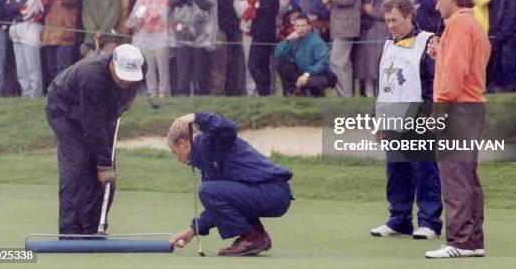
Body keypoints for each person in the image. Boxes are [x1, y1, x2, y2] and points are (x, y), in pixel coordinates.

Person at [45, 44, 145, 237]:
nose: (126, 81)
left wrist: (105, 165)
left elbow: (111, 110)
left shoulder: (140, 65)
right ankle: (70, 232)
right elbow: (93, 126)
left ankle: (92, 229)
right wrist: (104, 165)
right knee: (78, 163)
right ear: (113, 64)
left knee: (104, 171)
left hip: (102, 112)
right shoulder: (92, 77)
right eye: (122, 75)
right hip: (63, 111)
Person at [424, 0, 491, 259]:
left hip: (456, 108)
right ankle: (473, 240)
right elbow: (468, 65)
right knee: (466, 177)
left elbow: (453, 77)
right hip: (471, 107)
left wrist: (438, 108)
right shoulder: (472, 23)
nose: (436, 5)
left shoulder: (459, 25)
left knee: (455, 177)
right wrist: (442, 53)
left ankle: (460, 241)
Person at [168, 112, 293, 256]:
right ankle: (257, 235)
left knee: (207, 191)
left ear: (183, 144)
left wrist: (197, 117)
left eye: (174, 152)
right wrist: (193, 230)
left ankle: (252, 237)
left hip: (272, 192)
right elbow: (217, 205)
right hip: (268, 193)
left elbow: (228, 128)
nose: (178, 159)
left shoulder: (210, 141)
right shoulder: (205, 163)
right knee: (211, 192)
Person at [370, 0, 442, 240]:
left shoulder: (428, 41)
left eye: (395, 20)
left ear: (410, 17)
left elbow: (434, 83)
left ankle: (429, 221)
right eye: (387, 20)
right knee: (396, 171)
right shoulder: (387, 44)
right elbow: (383, 85)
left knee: (424, 171)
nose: (390, 25)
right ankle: (399, 219)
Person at [168, 0, 217, 96]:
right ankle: (182, 103)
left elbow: (208, 4)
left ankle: (202, 103)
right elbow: (171, 1)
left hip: (201, 35)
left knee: (201, 75)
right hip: (181, 34)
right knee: (182, 75)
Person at [127, 0, 171, 98]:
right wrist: (142, 17)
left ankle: (164, 90)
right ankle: (152, 90)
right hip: (145, 32)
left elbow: (165, 9)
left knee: (162, 63)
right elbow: (138, 10)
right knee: (148, 63)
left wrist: (153, 14)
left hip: (161, 32)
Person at [41, 0, 82, 81]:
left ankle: (64, 94)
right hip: (50, 31)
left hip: (65, 30)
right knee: (51, 67)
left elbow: (69, 0)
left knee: (63, 67)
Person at [323, 0, 362, 97]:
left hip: (346, 27)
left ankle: (344, 94)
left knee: (337, 62)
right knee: (343, 63)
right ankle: (346, 94)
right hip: (340, 27)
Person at [5, 0, 45, 97]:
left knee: (32, 64)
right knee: (21, 66)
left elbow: (26, 10)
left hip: (30, 31)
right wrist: (17, 6)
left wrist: (16, 6)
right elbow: (7, 8)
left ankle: (35, 92)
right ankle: (25, 91)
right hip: (16, 31)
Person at [274, 15, 336, 97]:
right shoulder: (292, 39)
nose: (300, 28)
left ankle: (315, 93)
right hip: (300, 72)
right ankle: (291, 93)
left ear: (309, 27)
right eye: (297, 26)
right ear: (294, 27)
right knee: (281, 63)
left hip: (320, 75)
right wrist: (288, 39)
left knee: (310, 82)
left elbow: (323, 63)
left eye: (303, 25)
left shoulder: (317, 42)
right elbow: (278, 55)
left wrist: (307, 74)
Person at [248, 0, 280, 96]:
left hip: (264, 31)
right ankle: (265, 92)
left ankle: (264, 91)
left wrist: (255, 5)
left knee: (254, 64)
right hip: (263, 30)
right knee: (262, 64)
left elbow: (265, 11)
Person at [358, 0, 391, 97]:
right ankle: (368, 93)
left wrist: (372, 11)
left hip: (380, 34)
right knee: (367, 67)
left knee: (378, 65)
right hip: (368, 34)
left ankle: (380, 93)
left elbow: (386, 14)